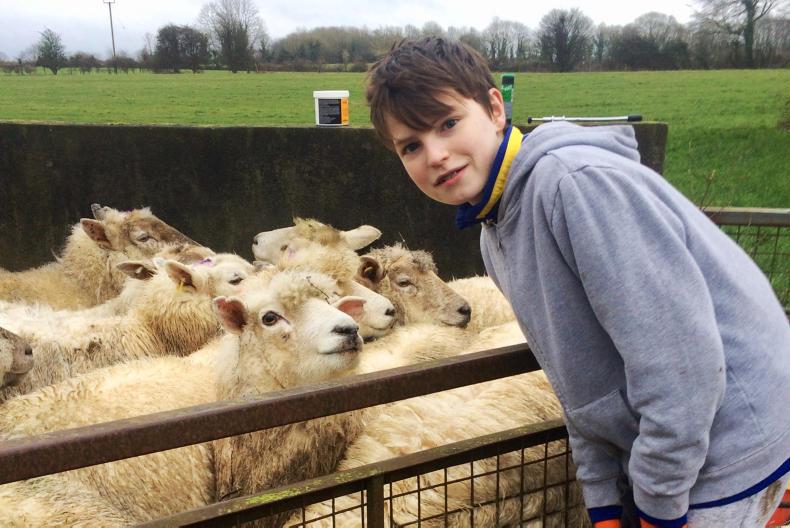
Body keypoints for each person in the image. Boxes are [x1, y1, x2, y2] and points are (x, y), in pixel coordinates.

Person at [365, 37, 790, 528]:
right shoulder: (495, 231)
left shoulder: (575, 186)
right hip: (682, 453)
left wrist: (658, 506)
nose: (436, 154)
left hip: (730, 451)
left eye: (448, 123)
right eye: (412, 146)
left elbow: (682, 368)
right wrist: (603, 496)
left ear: (495, 109)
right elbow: (577, 381)